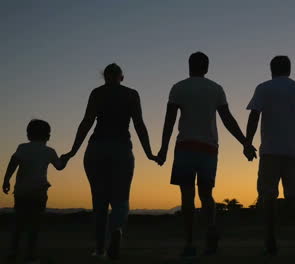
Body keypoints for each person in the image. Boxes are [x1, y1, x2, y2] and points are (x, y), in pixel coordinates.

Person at [156, 52, 256, 257]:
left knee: (187, 196)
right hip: (208, 148)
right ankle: (210, 231)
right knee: (206, 194)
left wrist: (164, 149)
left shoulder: (178, 88)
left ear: (189, 66)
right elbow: (228, 119)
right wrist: (245, 142)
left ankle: (190, 242)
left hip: (185, 146)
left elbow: (169, 121)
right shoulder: (215, 89)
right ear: (207, 68)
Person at [62, 63, 157, 260]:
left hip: (96, 149)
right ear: (121, 77)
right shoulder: (131, 94)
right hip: (121, 149)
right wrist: (149, 153)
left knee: (99, 202)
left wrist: (72, 151)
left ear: (105, 77)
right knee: (121, 200)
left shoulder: (97, 93)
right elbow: (139, 124)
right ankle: (117, 231)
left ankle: (99, 248)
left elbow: (86, 122)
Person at [245, 56, 295, 258]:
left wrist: (247, 142)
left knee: (268, 198)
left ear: (271, 69)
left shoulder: (263, 88)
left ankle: (270, 243)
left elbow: (254, 116)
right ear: (289, 69)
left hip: (270, 151)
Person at [2, 119, 69, 264]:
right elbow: (59, 166)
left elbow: (13, 163)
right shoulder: (49, 151)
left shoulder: (22, 148)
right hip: (38, 193)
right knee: (34, 225)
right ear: (48, 135)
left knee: (19, 223)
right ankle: (30, 256)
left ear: (28, 134)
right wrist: (66, 158)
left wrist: (6, 180)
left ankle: (13, 253)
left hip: (21, 192)